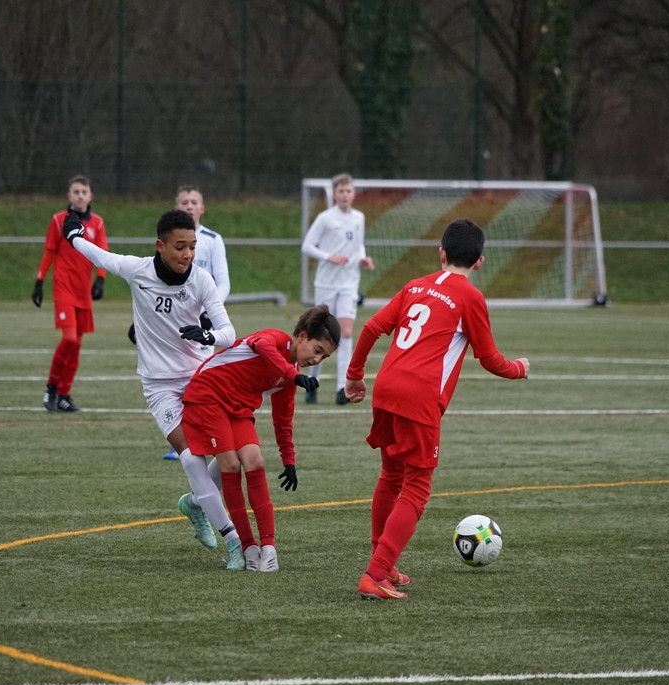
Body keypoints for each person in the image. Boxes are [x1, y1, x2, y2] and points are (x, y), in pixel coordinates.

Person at [344, 219, 530, 601]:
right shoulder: (470, 297)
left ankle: (383, 564)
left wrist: (354, 375)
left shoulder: (414, 286)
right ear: (479, 262)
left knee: (391, 476)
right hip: (419, 397)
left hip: (386, 387)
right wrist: (519, 369)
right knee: (416, 489)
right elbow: (489, 358)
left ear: (441, 253)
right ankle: (375, 574)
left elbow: (370, 328)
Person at [63, 207, 246, 569]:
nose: (188, 254)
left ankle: (195, 503)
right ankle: (234, 541)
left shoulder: (202, 281)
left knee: (233, 456)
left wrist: (208, 335)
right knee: (192, 458)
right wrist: (73, 236)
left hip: (200, 379)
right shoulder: (138, 270)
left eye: (192, 246)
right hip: (159, 385)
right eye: (180, 247)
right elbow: (100, 256)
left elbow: (229, 332)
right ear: (160, 245)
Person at [181, 305, 340, 572]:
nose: (317, 359)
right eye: (317, 350)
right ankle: (247, 546)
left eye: (324, 356)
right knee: (231, 465)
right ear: (302, 336)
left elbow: (283, 421)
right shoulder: (276, 340)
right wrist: (293, 374)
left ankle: (268, 547)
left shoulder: (290, 376)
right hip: (208, 395)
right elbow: (261, 345)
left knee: (255, 461)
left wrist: (289, 461)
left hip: (238, 409)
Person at [161, 184, 231, 461]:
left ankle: (205, 438)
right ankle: (180, 440)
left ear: (202, 208)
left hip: (203, 324)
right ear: (176, 208)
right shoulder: (168, 241)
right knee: (173, 375)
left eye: (194, 202)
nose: (189, 206)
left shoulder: (213, 240)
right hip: (173, 321)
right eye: (184, 202)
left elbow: (223, 281)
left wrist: (210, 312)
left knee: (198, 378)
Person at [31, 175, 109, 413]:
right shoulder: (59, 220)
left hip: (83, 292)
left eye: (84, 192)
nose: (80, 196)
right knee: (69, 339)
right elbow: (49, 252)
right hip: (63, 288)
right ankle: (51, 388)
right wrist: (39, 281)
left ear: (90, 196)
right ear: (69, 196)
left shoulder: (97, 223)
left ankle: (64, 395)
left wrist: (100, 279)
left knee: (76, 346)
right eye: (76, 192)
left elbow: (102, 252)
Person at [301, 173, 374, 405]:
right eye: (340, 191)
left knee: (345, 332)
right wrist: (329, 257)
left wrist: (363, 258)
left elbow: (358, 244)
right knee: (320, 333)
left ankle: (342, 387)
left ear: (353, 194)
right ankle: (313, 381)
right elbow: (307, 246)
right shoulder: (325, 218)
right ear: (334, 194)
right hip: (326, 283)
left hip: (349, 283)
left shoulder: (359, 217)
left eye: (348, 191)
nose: (344, 195)